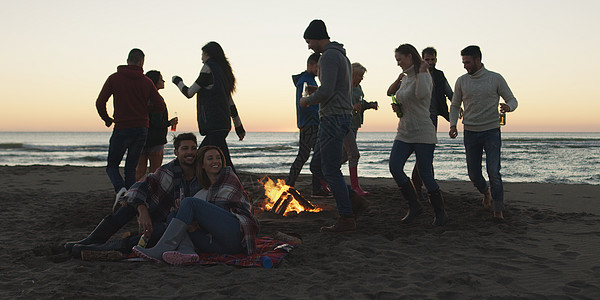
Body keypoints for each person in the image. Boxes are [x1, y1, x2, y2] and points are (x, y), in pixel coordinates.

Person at [64, 133, 201, 257]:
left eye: (193, 148)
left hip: (176, 224)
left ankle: (103, 248)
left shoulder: (202, 172)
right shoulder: (167, 171)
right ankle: (91, 241)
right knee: (130, 205)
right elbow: (139, 186)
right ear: (176, 152)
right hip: (158, 216)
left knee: (160, 231)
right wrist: (142, 210)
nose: (190, 152)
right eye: (185, 148)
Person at [133, 145, 259, 265]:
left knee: (188, 202)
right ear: (202, 165)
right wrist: (186, 216)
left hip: (236, 236)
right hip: (218, 245)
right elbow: (201, 215)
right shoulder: (203, 191)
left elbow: (222, 209)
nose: (215, 161)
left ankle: (161, 249)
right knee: (174, 213)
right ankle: (186, 251)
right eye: (210, 158)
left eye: (218, 158)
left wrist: (197, 224)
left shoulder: (229, 177)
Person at [299, 19, 369, 232]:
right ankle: (353, 200)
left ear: (317, 37)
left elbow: (327, 90)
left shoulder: (329, 56)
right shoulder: (341, 56)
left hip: (333, 118)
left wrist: (306, 101)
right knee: (317, 166)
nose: (309, 46)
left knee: (329, 168)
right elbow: (335, 88)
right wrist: (317, 94)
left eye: (309, 41)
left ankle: (346, 218)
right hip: (336, 116)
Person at [449, 45, 518, 220]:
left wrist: (509, 107)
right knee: (473, 174)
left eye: (468, 62)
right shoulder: (461, 81)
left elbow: (512, 99)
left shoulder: (495, 79)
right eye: (463, 62)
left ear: (478, 60)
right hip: (470, 132)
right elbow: (455, 105)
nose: (465, 66)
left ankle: (498, 210)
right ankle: (485, 191)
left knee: (494, 172)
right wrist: (452, 125)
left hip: (491, 131)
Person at [96, 48, 167, 209]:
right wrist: (145, 112)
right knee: (130, 168)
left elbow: (100, 102)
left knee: (112, 165)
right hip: (141, 129)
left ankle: (120, 190)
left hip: (121, 127)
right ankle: (130, 200)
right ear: (141, 62)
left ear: (128, 60)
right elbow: (160, 105)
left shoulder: (114, 79)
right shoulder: (146, 82)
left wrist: (107, 119)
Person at [388, 44, 448, 226]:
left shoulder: (425, 76)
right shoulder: (405, 78)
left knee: (425, 174)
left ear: (409, 56)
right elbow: (397, 95)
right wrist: (399, 107)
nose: (398, 63)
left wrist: (422, 71)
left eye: (400, 59)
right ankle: (414, 205)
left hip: (423, 132)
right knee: (395, 166)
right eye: (396, 60)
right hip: (404, 131)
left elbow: (422, 95)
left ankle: (440, 213)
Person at [172, 41, 245, 173]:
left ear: (208, 54)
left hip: (213, 124)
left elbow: (189, 93)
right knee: (216, 160)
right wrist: (239, 127)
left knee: (208, 160)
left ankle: (236, 189)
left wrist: (178, 81)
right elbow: (230, 103)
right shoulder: (223, 73)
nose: (201, 59)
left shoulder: (208, 68)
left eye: (202, 55)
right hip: (222, 125)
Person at [410, 47, 455, 201]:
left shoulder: (439, 75)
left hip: (432, 119)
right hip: (418, 119)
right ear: (422, 60)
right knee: (423, 155)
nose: (430, 62)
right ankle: (420, 188)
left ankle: (424, 188)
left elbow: (450, 93)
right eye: (427, 59)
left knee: (427, 155)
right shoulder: (417, 74)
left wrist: (457, 108)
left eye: (433, 59)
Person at [286, 53, 326, 194]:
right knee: (309, 156)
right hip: (310, 124)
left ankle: (295, 185)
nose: (319, 70)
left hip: (311, 123)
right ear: (310, 65)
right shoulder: (305, 82)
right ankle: (292, 185)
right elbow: (304, 104)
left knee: (310, 156)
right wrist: (318, 115)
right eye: (318, 67)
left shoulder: (310, 80)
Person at [341, 62, 378, 196]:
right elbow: (340, 104)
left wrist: (369, 105)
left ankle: (326, 174)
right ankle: (355, 186)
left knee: (344, 155)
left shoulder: (359, 88)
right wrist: (352, 107)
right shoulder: (344, 87)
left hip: (355, 123)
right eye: (360, 76)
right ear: (353, 75)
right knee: (354, 154)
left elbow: (360, 104)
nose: (362, 79)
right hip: (345, 124)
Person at [136, 70, 178, 180]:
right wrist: (170, 123)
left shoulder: (141, 97)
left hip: (141, 137)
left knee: (140, 170)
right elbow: (156, 122)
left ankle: (134, 191)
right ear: (154, 81)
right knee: (155, 171)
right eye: (161, 79)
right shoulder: (156, 99)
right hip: (155, 139)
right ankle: (152, 193)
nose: (163, 81)